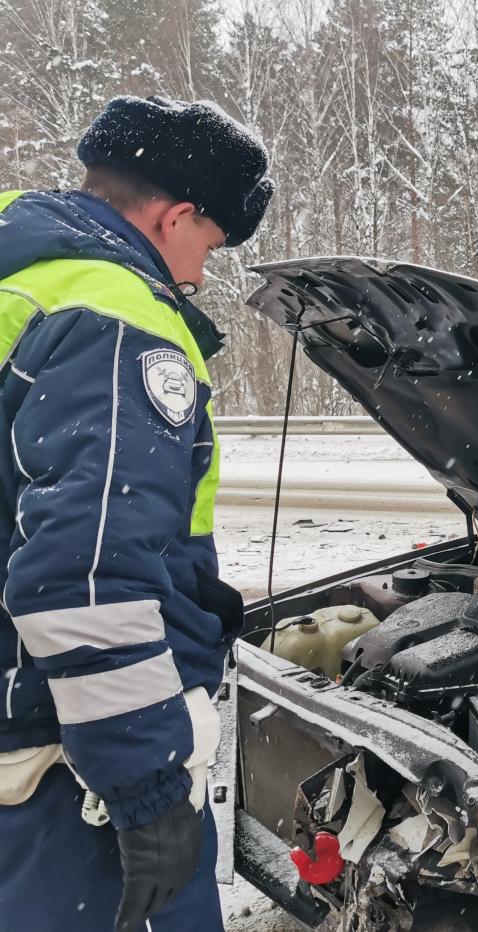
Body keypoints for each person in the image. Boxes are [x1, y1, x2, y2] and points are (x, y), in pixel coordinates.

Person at [0, 96, 272, 931]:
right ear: (177, 214)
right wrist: (146, 785)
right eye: (208, 248)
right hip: (64, 765)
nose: (194, 276)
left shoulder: (24, 277)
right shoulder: (118, 322)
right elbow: (86, 580)